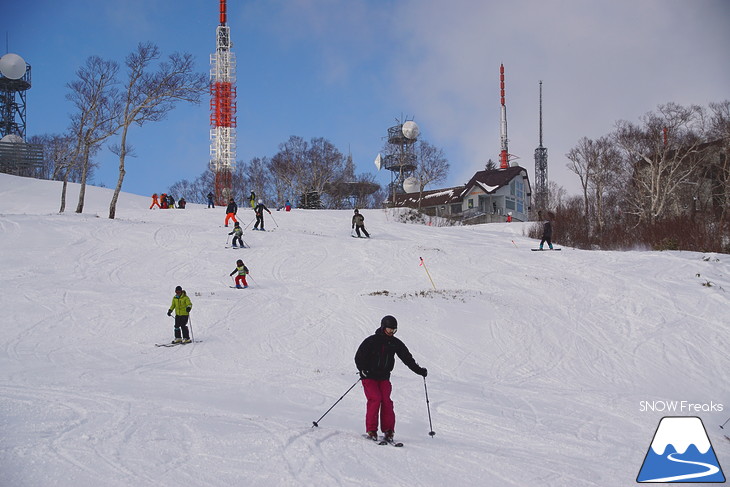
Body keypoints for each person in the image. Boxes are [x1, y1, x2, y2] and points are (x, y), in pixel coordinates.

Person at [355, 315, 427, 441]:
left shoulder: (394, 343)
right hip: (369, 376)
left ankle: (389, 431)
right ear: (383, 327)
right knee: (375, 399)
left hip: (384, 377)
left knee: (386, 401)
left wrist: (419, 371)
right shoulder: (372, 341)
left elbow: (407, 359)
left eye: (394, 330)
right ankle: (372, 430)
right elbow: (359, 356)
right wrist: (362, 369)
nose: (391, 332)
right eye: (389, 330)